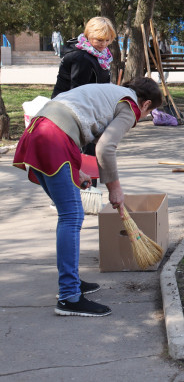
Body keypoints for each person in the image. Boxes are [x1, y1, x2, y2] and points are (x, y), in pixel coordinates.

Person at [12, 78, 163, 317]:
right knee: (71, 216)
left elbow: (74, 121)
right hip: (54, 137)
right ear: (145, 104)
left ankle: (72, 282)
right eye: (150, 112)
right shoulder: (130, 105)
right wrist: (115, 188)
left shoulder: (112, 92)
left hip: (39, 131)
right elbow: (105, 148)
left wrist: (77, 170)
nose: (144, 117)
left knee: (69, 215)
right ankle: (69, 297)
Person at [52, 17, 115, 98]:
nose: (104, 44)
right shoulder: (81, 57)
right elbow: (78, 92)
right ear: (89, 35)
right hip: (69, 105)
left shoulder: (101, 56)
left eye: (107, 40)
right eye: (99, 40)